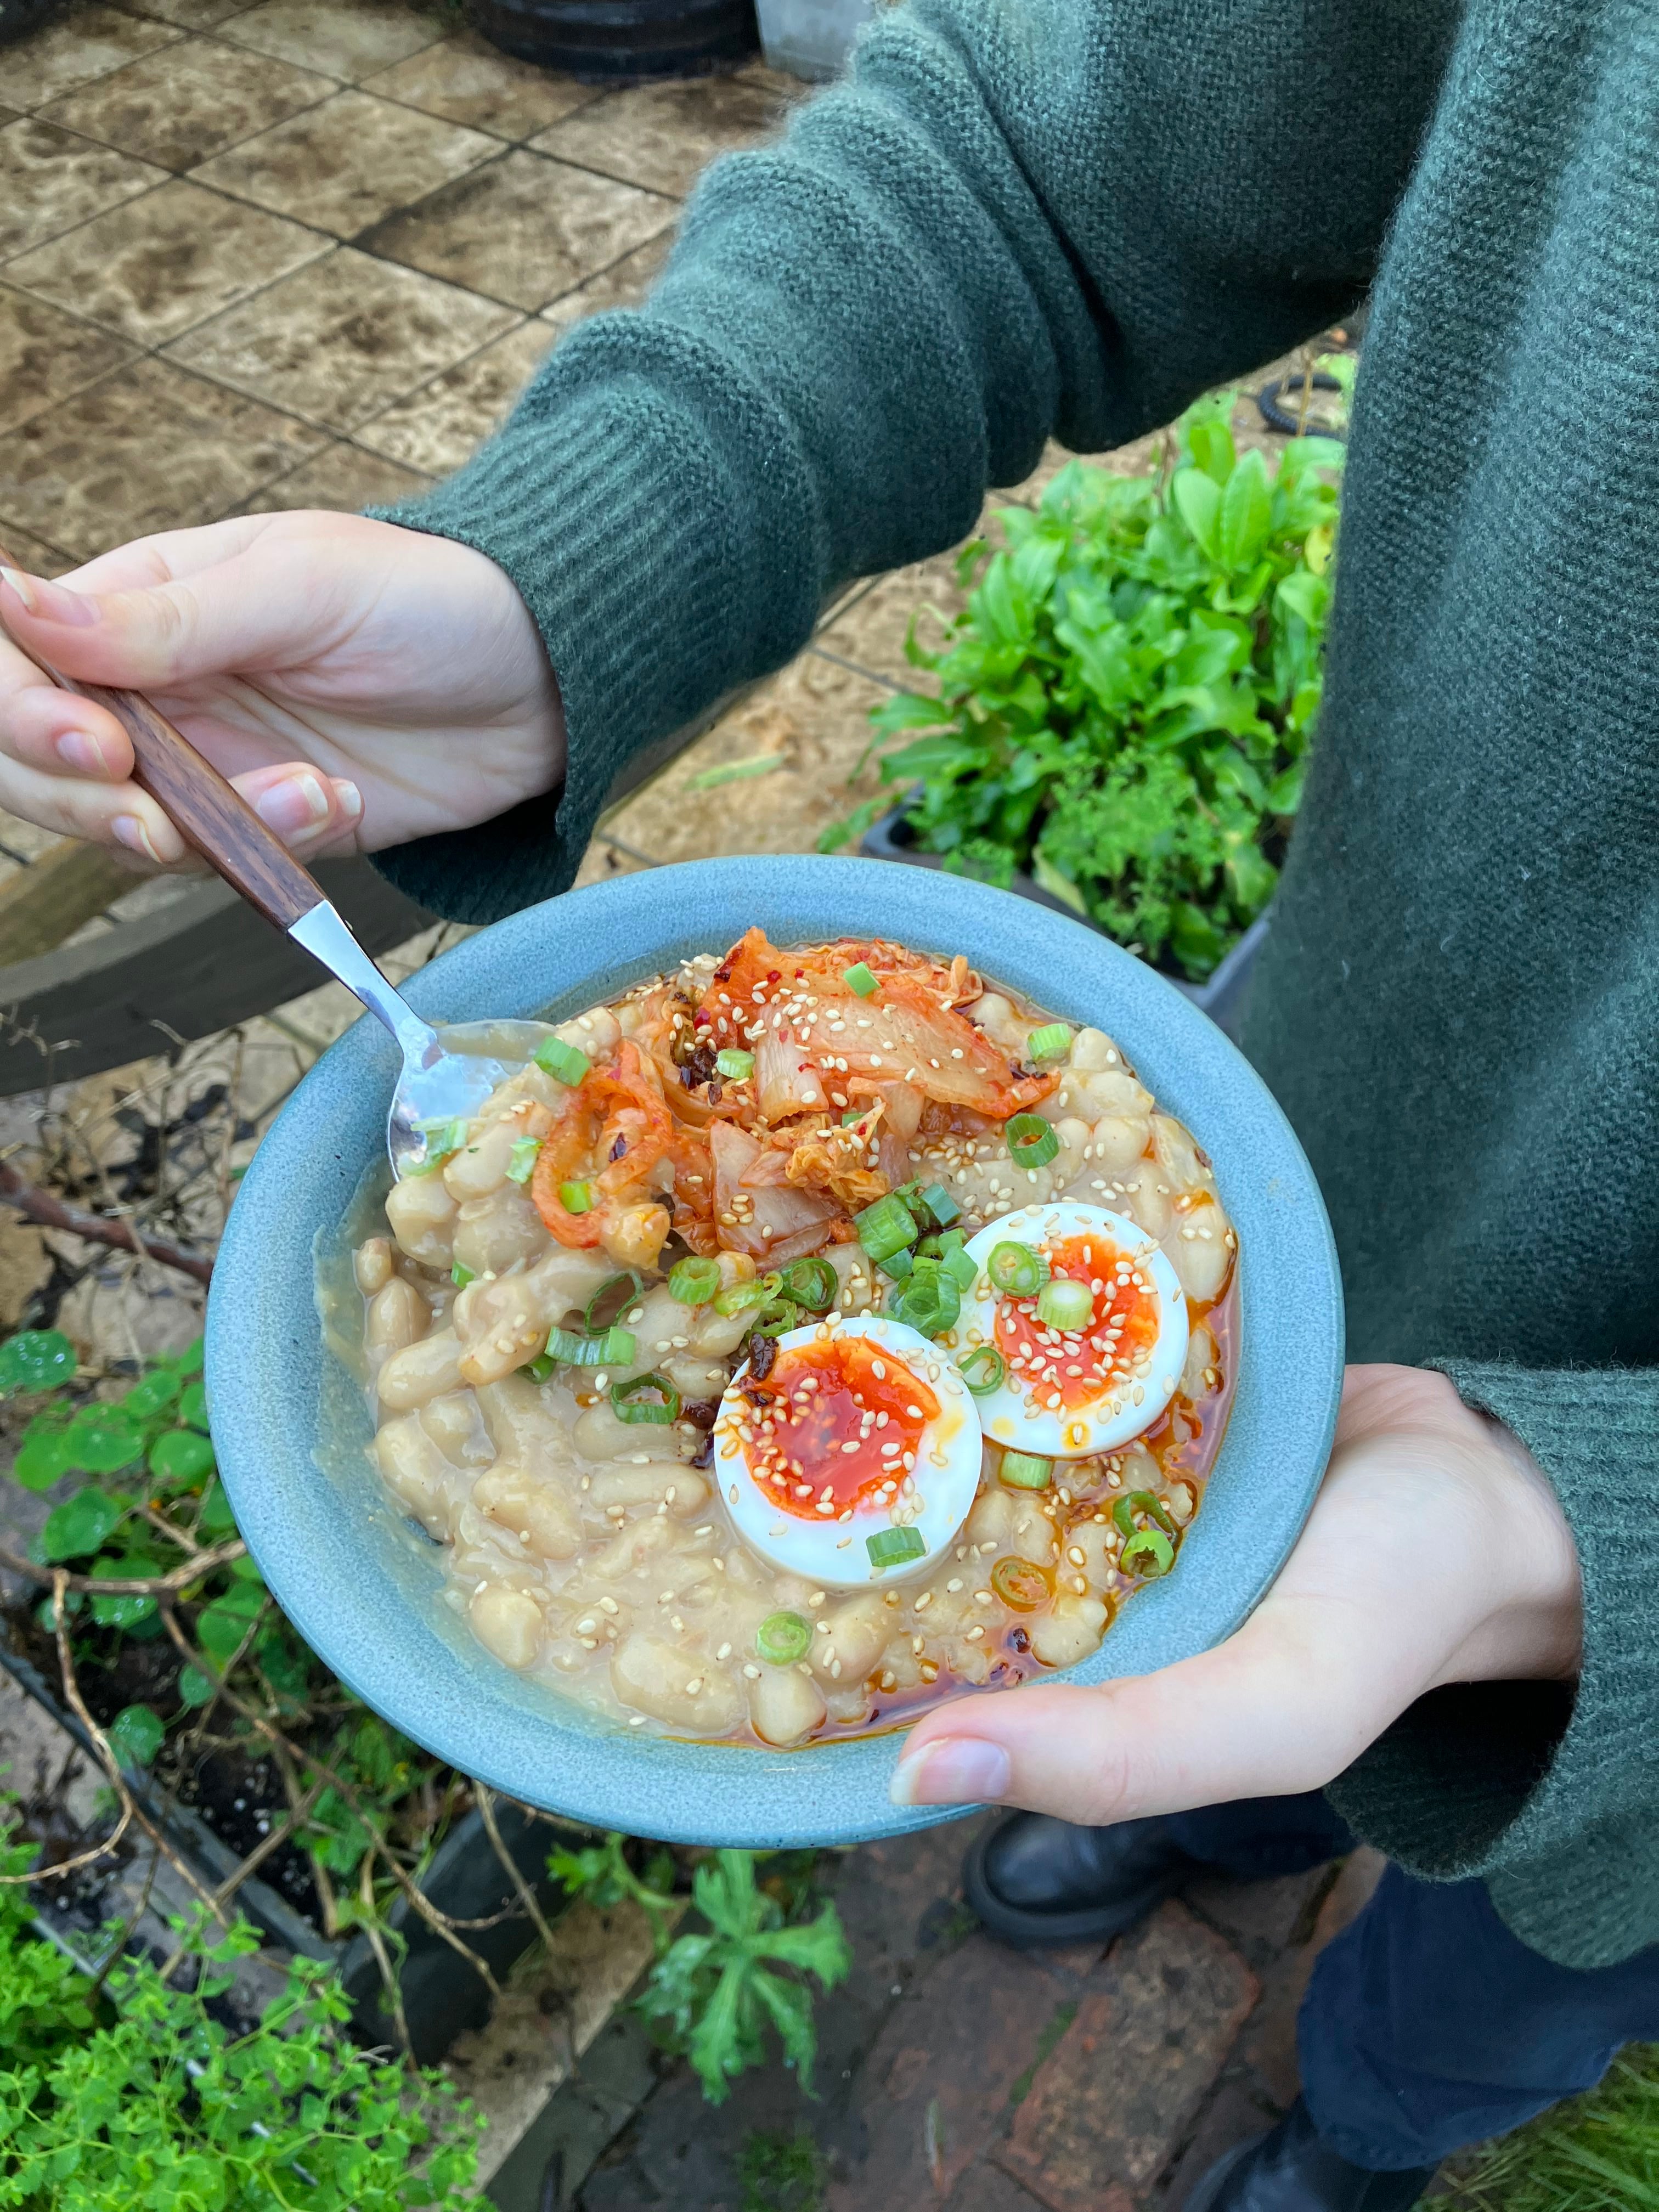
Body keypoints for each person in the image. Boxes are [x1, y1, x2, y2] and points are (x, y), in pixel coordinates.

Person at [3, 1, 1656, 2203]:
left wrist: (1597, 1555)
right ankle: (1211, 1810)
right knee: (1228, 1694)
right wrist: (581, 564)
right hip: (1323, 1134)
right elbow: (1067, 162)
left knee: (1506, 1963)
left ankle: (1360, 2134)